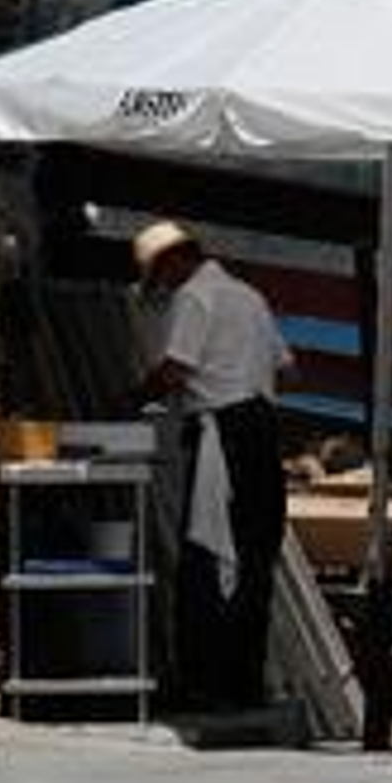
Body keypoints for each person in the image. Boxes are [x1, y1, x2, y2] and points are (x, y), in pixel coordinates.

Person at [133, 220, 292, 712]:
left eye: (160, 276)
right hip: (262, 427)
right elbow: (288, 365)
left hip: (223, 432)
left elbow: (177, 368)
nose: (162, 287)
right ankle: (244, 680)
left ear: (173, 262)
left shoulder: (194, 298)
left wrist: (131, 395)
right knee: (255, 559)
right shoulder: (249, 296)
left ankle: (207, 682)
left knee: (208, 557)